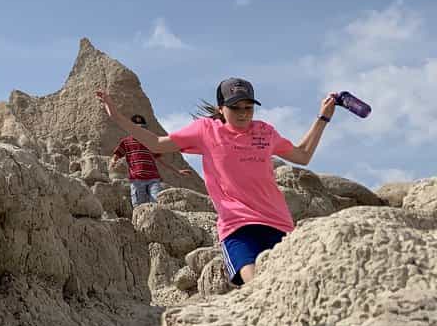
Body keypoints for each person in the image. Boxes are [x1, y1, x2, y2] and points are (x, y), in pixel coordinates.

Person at [97, 78, 337, 286]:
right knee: (257, 288)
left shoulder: (265, 131)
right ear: (221, 108)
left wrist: (322, 118)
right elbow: (158, 144)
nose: (243, 113)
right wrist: (117, 117)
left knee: (290, 288)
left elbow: (302, 155)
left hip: (279, 225)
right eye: (236, 108)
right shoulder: (205, 131)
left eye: (248, 107)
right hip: (238, 227)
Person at [110, 114, 194, 207]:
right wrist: (113, 161)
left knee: (157, 204)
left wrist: (177, 171)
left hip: (153, 178)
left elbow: (161, 160)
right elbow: (117, 154)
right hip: (137, 179)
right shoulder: (126, 142)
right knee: (139, 206)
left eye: (142, 127)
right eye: (137, 128)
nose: (141, 130)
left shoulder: (150, 142)